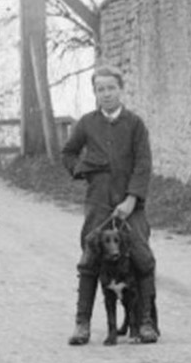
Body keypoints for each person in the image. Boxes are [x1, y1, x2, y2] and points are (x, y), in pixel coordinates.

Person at [61, 65, 159, 346]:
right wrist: (83, 169)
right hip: (98, 203)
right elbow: (67, 153)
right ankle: (82, 324)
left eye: (111, 88)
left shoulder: (135, 124)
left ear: (121, 89)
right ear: (95, 93)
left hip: (131, 205)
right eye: (100, 89)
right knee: (90, 259)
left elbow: (143, 164)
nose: (106, 94)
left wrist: (131, 199)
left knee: (141, 258)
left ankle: (145, 323)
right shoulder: (87, 124)